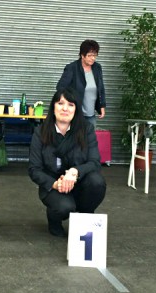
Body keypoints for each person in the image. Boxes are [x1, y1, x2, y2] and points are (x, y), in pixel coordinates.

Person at [28, 87, 106, 237]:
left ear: (76, 109)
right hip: (54, 185)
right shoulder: (40, 132)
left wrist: (75, 172)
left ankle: (84, 219)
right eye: (60, 103)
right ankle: (54, 218)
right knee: (64, 207)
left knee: (97, 181)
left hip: (79, 181)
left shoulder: (86, 129)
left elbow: (95, 162)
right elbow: (34, 169)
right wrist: (55, 184)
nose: (65, 108)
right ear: (53, 107)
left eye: (71, 104)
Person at [56, 39, 106, 128]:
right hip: (75, 115)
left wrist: (102, 105)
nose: (93, 58)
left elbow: (100, 88)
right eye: (90, 55)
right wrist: (69, 103)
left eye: (95, 55)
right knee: (74, 140)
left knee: (90, 140)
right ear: (82, 55)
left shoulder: (97, 68)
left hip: (91, 115)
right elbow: (61, 87)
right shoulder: (72, 68)